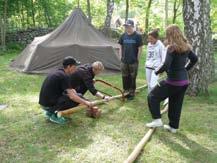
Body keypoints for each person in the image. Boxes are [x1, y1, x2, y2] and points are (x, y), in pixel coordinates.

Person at [146, 24, 198, 133]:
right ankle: (173, 127)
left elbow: (166, 65)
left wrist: (156, 71)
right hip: (184, 82)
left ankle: (157, 119)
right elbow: (195, 59)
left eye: (167, 34)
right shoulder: (186, 46)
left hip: (173, 81)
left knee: (152, 96)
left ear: (170, 34)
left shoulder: (171, 48)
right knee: (176, 103)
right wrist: (185, 69)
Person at [39, 56, 93, 124]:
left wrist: (78, 95)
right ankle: (55, 116)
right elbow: (72, 97)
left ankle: (49, 113)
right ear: (68, 66)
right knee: (74, 101)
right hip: (48, 105)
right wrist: (86, 102)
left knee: (78, 95)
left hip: (43, 103)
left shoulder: (58, 72)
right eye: (74, 67)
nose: (76, 69)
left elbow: (68, 90)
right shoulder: (64, 76)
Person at [118, 19, 143, 100]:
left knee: (132, 77)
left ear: (132, 26)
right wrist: (120, 57)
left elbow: (140, 48)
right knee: (125, 76)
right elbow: (120, 47)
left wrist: (137, 59)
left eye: (128, 26)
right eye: (125, 26)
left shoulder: (138, 36)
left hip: (133, 61)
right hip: (124, 60)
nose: (126, 28)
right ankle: (125, 91)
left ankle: (131, 93)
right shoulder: (123, 35)